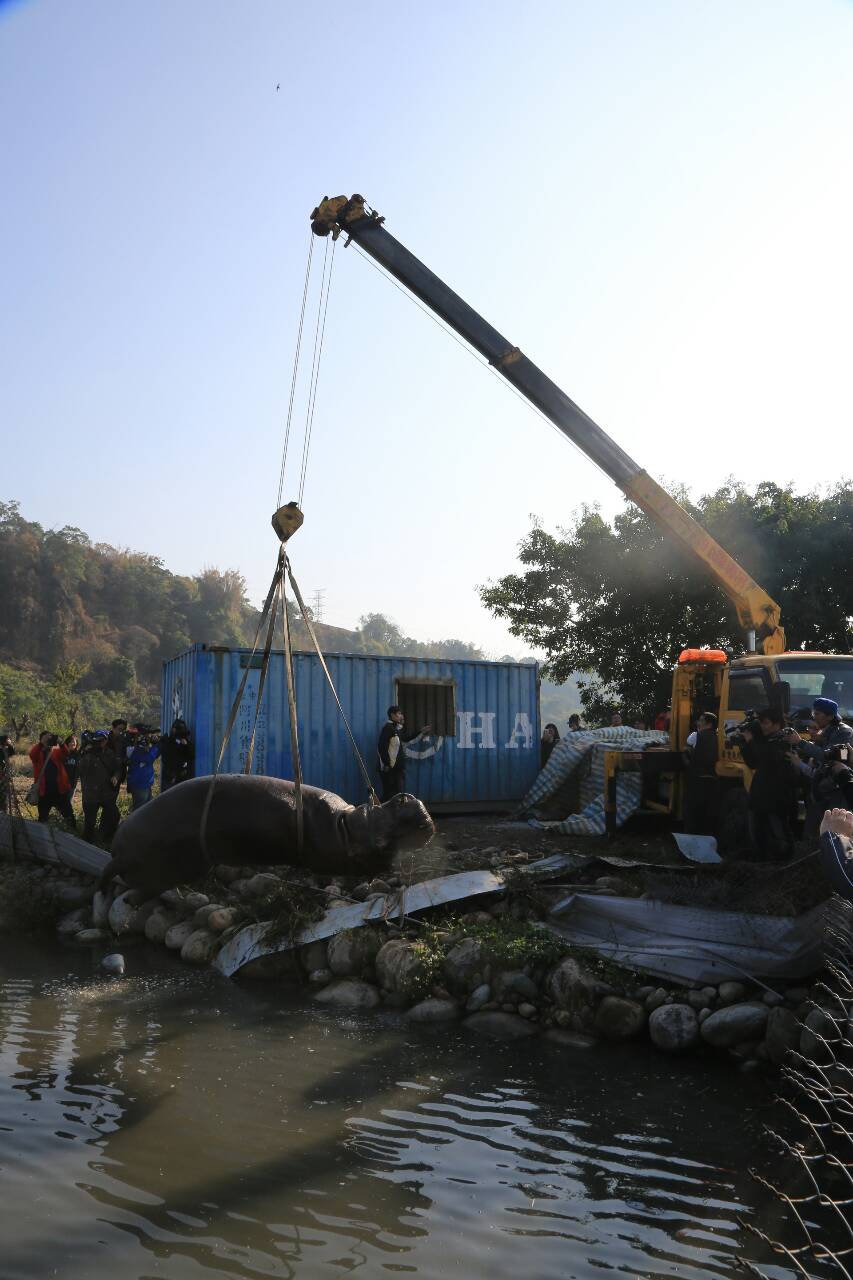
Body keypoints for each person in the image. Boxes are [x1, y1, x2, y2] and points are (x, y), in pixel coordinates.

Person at [739, 707, 800, 861]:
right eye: (760, 723)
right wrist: (745, 744)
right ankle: (762, 862)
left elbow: (769, 758)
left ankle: (784, 863)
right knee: (758, 832)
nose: (762, 726)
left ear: (777, 723)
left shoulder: (784, 739)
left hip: (777, 796)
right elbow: (753, 763)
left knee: (780, 832)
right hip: (760, 794)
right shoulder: (764, 740)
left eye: (765, 723)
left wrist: (752, 741)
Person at [376, 706, 431, 802]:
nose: (401, 716)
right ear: (392, 715)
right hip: (390, 769)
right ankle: (378, 813)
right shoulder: (388, 728)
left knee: (396, 794)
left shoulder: (395, 729)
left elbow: (406, 738)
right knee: (390, 795)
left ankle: (389, 814)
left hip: (397, 768)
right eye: (399, 714)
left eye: (401, 714)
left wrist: (420, 731)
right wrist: (387, 763)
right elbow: (382, 747)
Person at [78, 731, 122, 843]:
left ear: (106, 741)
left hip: (106, 793)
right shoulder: (87, 754)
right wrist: (85, 752)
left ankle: (104, 838)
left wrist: (116, 777)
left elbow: (118, 768)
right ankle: (87, 844)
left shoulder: (110, 753)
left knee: (114, 815)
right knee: (90, 823)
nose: (100, 743)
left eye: (102, 740)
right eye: (98, 740)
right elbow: (80, 770)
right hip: (90, 794)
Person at [683, 712, 719, 836]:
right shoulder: (718, 736)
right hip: (712, 777)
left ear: (708, 723)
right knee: (707, 811)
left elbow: (688, 746)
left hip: (696, 777)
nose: (699, 722)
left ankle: (691, 836)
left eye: (701, 720)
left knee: (693, 810)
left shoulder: (695, 735)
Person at [35, 736, 77, 828]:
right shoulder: (39, 753)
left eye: (51, 740)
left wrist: (61, 743)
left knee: (69, 816)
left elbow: (66, 752)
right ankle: (41, 835)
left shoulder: (58, 752)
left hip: (59, 791)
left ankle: (72, 831)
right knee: (42, 817)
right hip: (45, 791)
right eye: (46, 740)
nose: (49, 743)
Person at [126, 735, 160, 809]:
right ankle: (136, 821)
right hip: (140, 786)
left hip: (145, 785)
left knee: (147, 808)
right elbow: (150, 758)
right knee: (139, 810)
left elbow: (153, 755)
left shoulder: (134, 751)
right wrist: (155, 745)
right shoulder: (138, 752)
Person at [160, 718, 194, 790]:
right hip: (170, 779)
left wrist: (186, 745)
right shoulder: (168, 742)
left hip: (182, 780)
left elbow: (191, 756)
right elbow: (167, 759)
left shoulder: (185, 742)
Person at [107, 719, 129, 789]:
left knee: (113, 797)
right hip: (106, 773)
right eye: (119, 729)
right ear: (113, 728)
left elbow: (126, 756)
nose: (121, 732)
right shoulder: (105, 739)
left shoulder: (124, 741)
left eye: (123, 730)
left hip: (119, 774)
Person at [62, 734, 80, 798]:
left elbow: (78, 771)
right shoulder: (62, 754)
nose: (72, 743)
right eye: (70, 741)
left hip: (72, 785)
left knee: (68, 804)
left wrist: (74, 783)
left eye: (74, 742)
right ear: (67, 743)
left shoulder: (78, 755)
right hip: (61, 784)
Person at [0, 734, 14, 813]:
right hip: (2, 777)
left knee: (3, 797)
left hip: (3, 777)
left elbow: (12, 752)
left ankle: (3, 811)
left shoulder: (4, 751)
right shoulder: (3, 751)